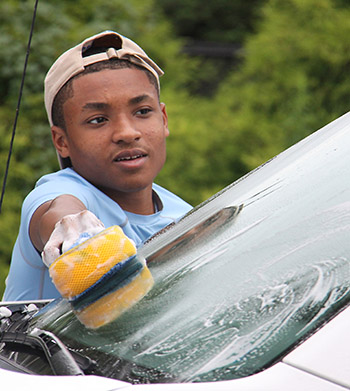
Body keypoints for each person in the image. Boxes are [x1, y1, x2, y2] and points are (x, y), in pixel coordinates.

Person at [3, 31, 192, 301]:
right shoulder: (61, 193)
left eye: (142, 112)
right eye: (98, 120)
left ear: (163, 119)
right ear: (61, 141)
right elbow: (57, 213)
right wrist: (71, 227)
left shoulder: (185, 217)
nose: (127, 133)